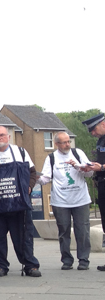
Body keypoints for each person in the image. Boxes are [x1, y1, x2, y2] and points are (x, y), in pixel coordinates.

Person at [0, 126, 41, 277]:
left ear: (9, 137)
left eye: (2, 135)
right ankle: (0, 265)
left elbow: (32, 172)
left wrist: (29, 187)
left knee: (23, 235)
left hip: (18, 204)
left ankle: (30, 265)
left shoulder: (21, 152)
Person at [39, 132, 93, 270]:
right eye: (64, 142)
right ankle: (67, 260)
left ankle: (83, 259)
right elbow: (46, 177)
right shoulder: (51, 157)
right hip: (60, 201)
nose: (67, 144)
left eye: (68, 141)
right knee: (63, 231)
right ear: (57, 144)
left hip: (80, 199)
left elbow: (89, 172)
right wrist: (34, 178)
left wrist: (77, 166)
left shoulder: (77, 153)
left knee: (83, 230)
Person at [80, 113, 105, 270]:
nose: (93, 133)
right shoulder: (100, 140)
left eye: (94, 129)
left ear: (103, 124)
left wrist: (101, 167)